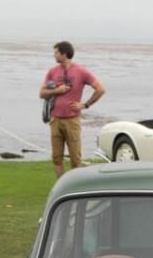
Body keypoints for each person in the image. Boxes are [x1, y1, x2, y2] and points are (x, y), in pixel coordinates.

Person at [40, 41, 105, 177]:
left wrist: (85, 105)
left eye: (56, 52)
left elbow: (100, 89)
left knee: (75, 160)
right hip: (55, 120)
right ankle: (61, 187)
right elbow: (42, 93)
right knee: (57, 158)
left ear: (64, 54)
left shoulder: (81, 71)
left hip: (72, 121)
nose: (54, 55)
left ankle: (76, 187)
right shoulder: (52, 71)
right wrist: (57, 90)